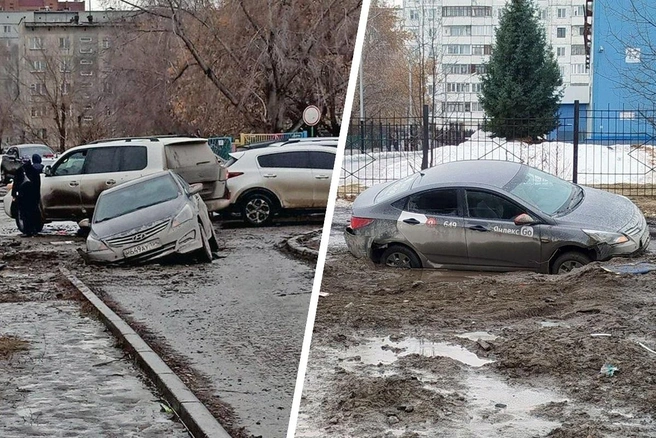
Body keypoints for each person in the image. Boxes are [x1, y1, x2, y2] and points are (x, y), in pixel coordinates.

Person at [11, 154, 43, 237]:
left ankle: (30, 230)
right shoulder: (29, 171)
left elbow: (16, 184)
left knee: (28, 213)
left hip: (26, 196)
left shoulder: (25, 171)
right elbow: (16, 184)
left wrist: (14, 194)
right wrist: (14, 195)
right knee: (28, 213)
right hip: (27, 196)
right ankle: (30, 230)